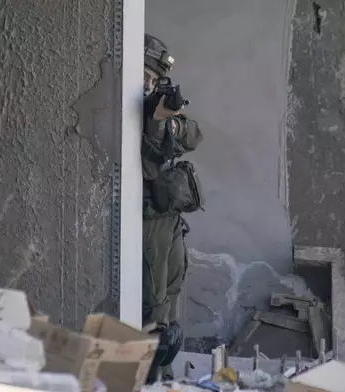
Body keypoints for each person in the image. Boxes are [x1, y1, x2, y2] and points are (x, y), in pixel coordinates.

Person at [141, 33, 203, 382]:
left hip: (170, 220)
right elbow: (151, 157)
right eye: (144, 77)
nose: (147, 84)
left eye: (151, 78)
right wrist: (156, 120)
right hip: (147, 221)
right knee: (153, 301)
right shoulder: (129, 111)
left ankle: (163, 371)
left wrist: (173, 120)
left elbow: (194, 136)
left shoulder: (157, 103)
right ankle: (146, 376)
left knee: (173, 289)